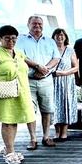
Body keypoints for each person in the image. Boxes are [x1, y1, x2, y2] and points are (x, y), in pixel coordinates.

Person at [0, 25, 36, 164]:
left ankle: (10, 149)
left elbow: (25, 63)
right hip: (3, 93)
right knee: (8, 121)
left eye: (13, 38)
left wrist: (39, 67)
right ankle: (10, 152)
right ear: (0, 39)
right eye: (7, 38)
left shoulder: (17, 53)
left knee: (14, 121)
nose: (11, 41)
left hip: (20, 92)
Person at [17, 15, 60, 150]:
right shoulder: (21, 40)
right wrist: (37, 66)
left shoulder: (50, 41)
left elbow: (56, 58)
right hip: (28, 80)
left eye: (40, 24)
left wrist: (44, 69)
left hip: (46, 80)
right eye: (34, 24)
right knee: (30, 110)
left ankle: (46, 137)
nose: (37, 26)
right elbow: (20, 56)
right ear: (28, 24)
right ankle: (33, 139)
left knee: (47, 110)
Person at [52, 28, 79, 141]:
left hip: (67, 81)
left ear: (65, 37)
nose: (60, 37)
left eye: (62, 35)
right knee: (55, 106)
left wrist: (63, 73)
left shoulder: (70, 50)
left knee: (66, 104)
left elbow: (76, 67)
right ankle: (57, 131)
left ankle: (64, 131)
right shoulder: (50, 49)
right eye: (57, 35)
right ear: (53, 37)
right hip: (53, 81)